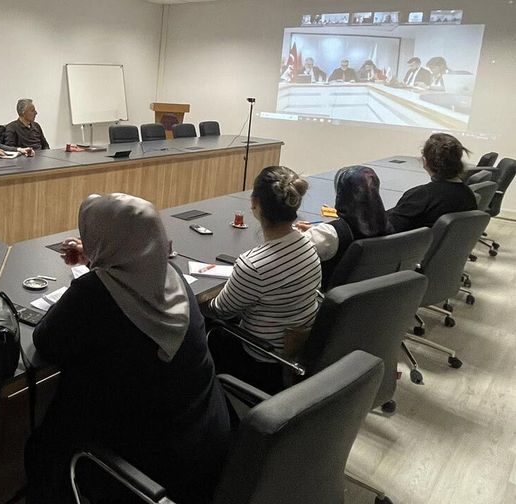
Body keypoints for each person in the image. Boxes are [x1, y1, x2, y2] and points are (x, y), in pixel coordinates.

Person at [26, 193, 232, 504]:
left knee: (40, 447)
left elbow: (46, 340)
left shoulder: (93, 294)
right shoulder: (171, 274)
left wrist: (97, 269)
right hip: (209, 440)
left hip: (150, 468)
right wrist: (100, 258)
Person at [203, 166, 321, 395]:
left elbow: (220, 311)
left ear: (255, 204)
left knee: (201, 321)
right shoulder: (308, 244)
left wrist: (200, 298)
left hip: (261, 358)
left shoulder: (254, 265)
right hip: (297, 351)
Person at [296, 166, 391, 287]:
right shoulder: (386, 225)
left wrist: (296, 230)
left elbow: (292, 248)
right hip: (368, 292)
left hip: (328, 294)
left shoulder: (331, 233)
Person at [387, 133, 478, 233]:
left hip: (409, 247)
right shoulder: (469, 195)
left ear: (425, 161)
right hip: (441, 246)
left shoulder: (420, 196)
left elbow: (386, 231)